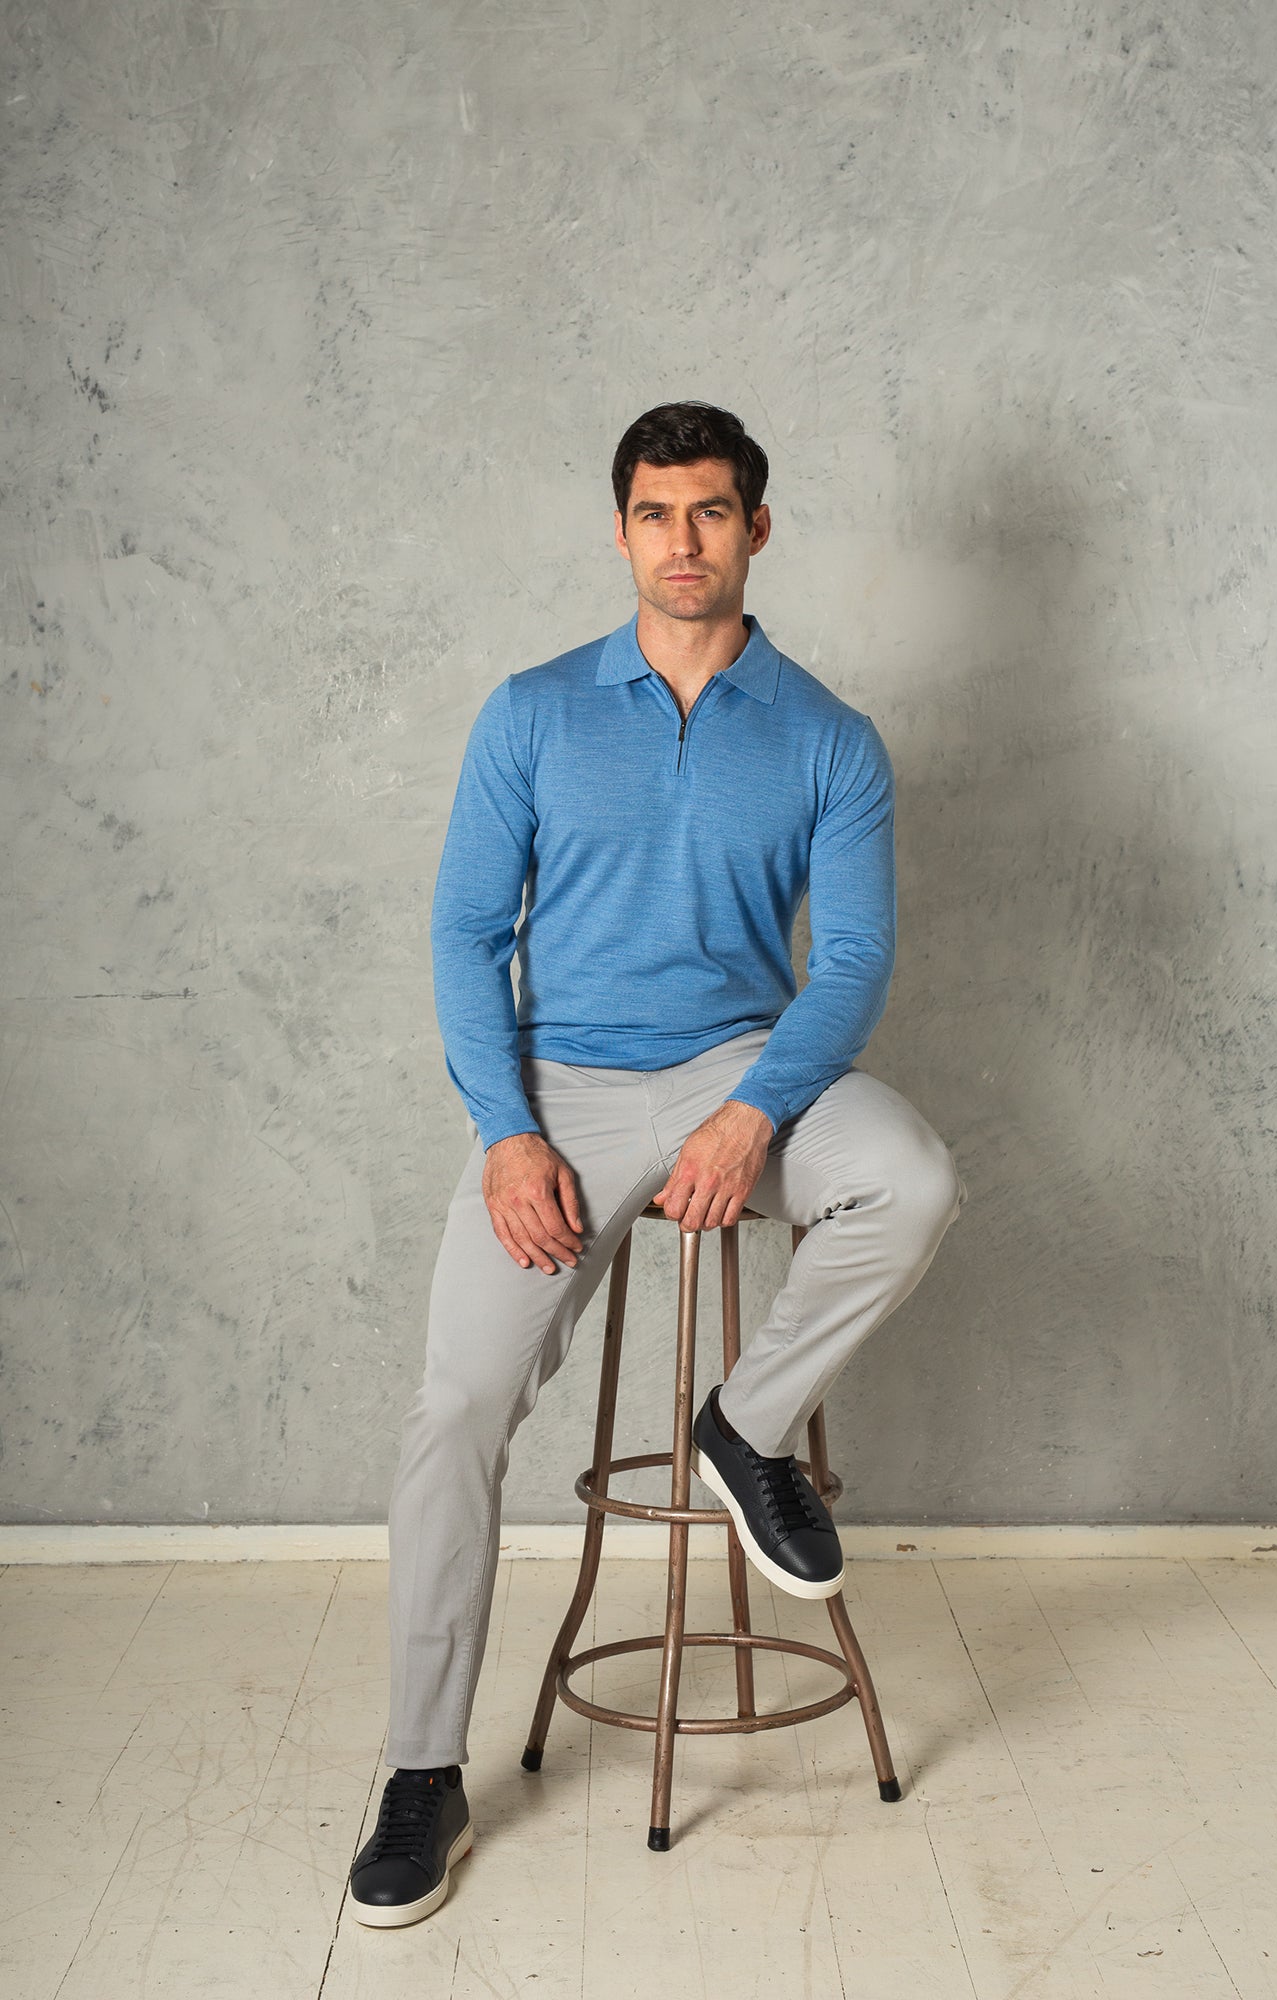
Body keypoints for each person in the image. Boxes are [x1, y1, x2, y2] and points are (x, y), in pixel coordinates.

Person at [348, 400, 966, 1926]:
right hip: (557, 1090)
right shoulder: (533, 712)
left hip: (741, 1073)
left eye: (708, 511)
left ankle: (742, 1428)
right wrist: (506, 1132)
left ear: (756, 528)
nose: (680, 541)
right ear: (619, 531)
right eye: (652, 512)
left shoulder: (827, 737)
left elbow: (852, 960)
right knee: (455, 1409)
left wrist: (752, 1114)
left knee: (910, 1177)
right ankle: (422, 1772)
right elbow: (464, 936)